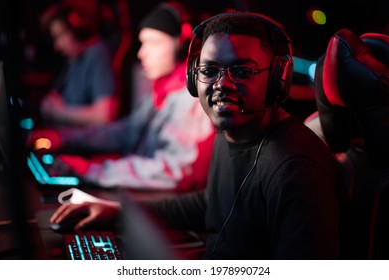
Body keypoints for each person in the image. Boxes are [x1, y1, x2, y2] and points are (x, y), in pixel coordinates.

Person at [49, 12, 349, 259]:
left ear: (276, 79)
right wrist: (119, 211)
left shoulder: (296, 169)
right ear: (194, 79)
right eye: (209, 70)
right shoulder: (230, 133)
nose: (221, 84)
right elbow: (210, 204)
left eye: (241, 71)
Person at [28, 1, 215, 191]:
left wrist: (93, 170)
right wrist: (64, 137)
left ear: (183, 46)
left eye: (153, 43)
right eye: (142, 43)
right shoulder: (163, 89)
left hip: (162, 207)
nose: (142, 53)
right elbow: (127, 131)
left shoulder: (191, 98)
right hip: (144, 194)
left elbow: (174, 169)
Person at [38, 1, 119, 126]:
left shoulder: (97, 53)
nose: (57, 46)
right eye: (55, 39)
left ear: (79, 29)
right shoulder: (73, 60)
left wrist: (59, 112)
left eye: (61, 35)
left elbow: (105, 115)